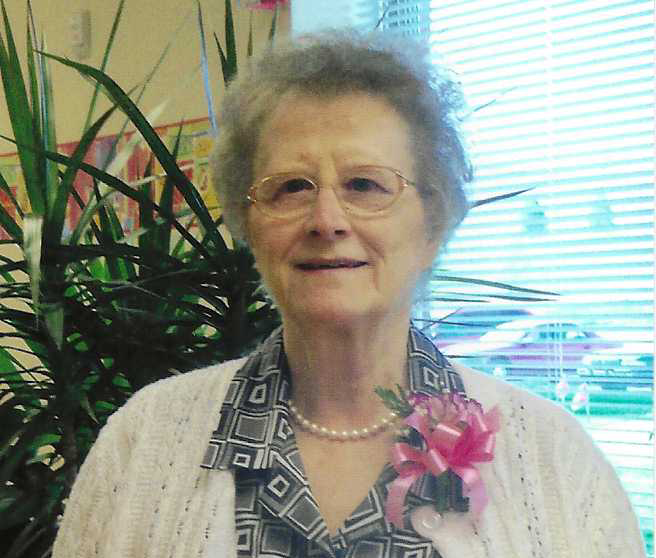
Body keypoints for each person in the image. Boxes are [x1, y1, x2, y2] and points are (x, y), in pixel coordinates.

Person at [52, 31, 646, 558]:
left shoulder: (555, 459)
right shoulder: (143, 442)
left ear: (433, 222)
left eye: (365, 184)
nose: (327, 219)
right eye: (290, 187)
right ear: (247, 221)